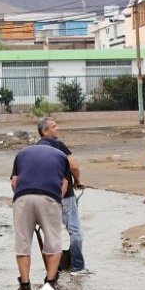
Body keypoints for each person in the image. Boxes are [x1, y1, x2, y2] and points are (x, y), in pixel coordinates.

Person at [11, 144, 71, 290]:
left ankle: (25, 286)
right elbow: (64, 184)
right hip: (49, 197)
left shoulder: (22, 153)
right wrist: (57, 201)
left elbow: (14, 182)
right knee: (53, 241)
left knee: (22, 243)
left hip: (23, 197)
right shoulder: (62, 156)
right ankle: (51, 284)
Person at [36, 117, 91, 276]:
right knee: (75, 231)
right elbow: (73, 166)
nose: (57, 128)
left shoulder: (35, 149)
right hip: (65, 196)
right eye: (54, 127)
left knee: (51, 234)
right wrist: (78, 181)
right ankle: (78, 267)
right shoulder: (59, 146)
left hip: (45, 197)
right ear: (45, 131)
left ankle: (55, 270)